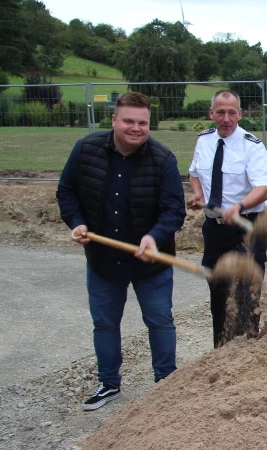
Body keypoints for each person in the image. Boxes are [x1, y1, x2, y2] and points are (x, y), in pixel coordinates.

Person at [56, 92, 186, 411]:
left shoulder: (163, 159)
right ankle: (109, 383)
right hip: (103, 259)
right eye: (129, 121)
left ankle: (165, 384)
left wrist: (154, 237)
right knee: (105, 323)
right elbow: (67, 192)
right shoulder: (86, 150)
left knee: (160, 321)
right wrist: (77, 222)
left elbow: (174, 210)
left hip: (151, 262)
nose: (136, 128)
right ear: (114, 120)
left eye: (143, 123)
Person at [187, 90, 267, 348]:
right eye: (220, 112)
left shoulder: (252, 146)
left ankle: (247, 356)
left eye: (232, 113)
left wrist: (239, 206)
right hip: (215, 230)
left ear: (240, 114)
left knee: (245, 299)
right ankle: (221, 354)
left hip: (247, 228)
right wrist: (198, 193)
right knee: (219, 297)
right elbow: (194, 173)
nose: (226, 118)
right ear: (211, 113)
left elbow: (263, 189)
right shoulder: (204, 141)